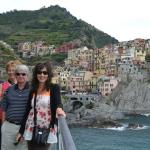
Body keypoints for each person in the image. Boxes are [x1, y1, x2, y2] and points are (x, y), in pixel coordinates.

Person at [17, 62, 66, 150]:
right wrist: (21, 131)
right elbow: (28, 111)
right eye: (39, 72)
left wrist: (59, 109)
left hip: (47, 129)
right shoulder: (33, 90)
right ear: (36, 74)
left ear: (49, 74)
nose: (42, 75)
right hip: (31, 127)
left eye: (45, 73)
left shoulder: (54, 88)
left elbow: (58, 102)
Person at [0, 64, 30, 150]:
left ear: (27, 76)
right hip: (9, 127)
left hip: (25, 128)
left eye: (23, 74)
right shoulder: (9, 90)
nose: (20, 76)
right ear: (15, 75)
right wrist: (3, 126)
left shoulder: (32, 91)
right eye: (18, 74)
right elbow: (4, 108)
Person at [0, 60, 21, 150]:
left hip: (19, 120)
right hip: (4, 120)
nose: (11, 72)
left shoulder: (22, 85)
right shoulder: (2, 86)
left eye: (13, 70)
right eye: (9, 70)